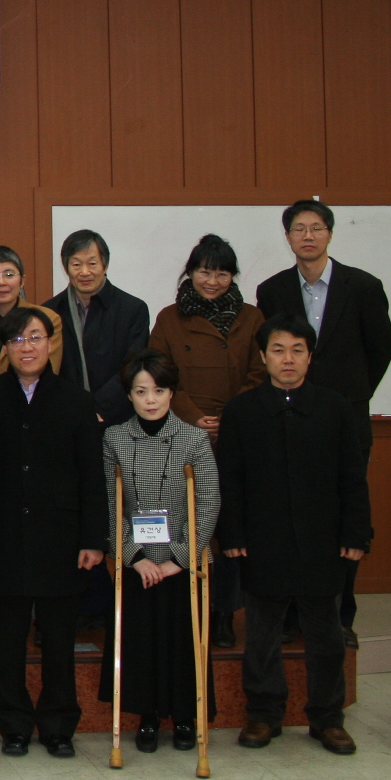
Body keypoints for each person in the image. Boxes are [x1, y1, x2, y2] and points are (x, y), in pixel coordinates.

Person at [218, 313, 370, 756]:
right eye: (279, 350)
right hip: (263, 540)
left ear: (310, 356)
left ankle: (327, 718)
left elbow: (351, 478)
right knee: (262, 633)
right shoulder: (242, 411)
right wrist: (233, 533)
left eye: (298, 350)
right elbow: (232, 479)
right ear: (263, 356)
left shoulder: (335, 408)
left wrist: (356, 533)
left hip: (323, 540)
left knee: (325, 633)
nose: (288, 359)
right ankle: (264, 714)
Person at [255, 200, 391, 643]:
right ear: (288, 237)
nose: (308, 236)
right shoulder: (272, 290)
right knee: (289, 513)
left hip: (344, 419)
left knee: (342, 515)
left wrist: (348, 397)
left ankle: (340, 617)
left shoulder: (364, 287)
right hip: (285, 418)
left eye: (316, 228)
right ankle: (294, 613)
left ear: (330, 234)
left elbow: (380, 351)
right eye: (299, 229)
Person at [0, 308, 105, 758]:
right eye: (16, 339)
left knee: (58, 640)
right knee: (7, 640)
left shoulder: (77, 401)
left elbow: (93, 477)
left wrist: (93, 539)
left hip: (61, 539)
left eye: (34, 337)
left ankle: (57, 724)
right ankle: (12, 723)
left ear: (50, 343)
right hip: (4, 535)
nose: (26, 346)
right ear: (4, 349)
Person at [99, 350, 219, 754]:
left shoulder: (194, 438)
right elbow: (109, 506)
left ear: (172, 393)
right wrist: (133, 556)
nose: (151, 399)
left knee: (184, 642)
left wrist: (178, 560)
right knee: (141, 643)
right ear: (129, 396)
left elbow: (208, 502)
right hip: (138, 563)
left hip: (180, 561)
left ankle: (186, 716)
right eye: (141, 391)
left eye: (159, 390)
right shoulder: (114, 438)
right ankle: (146, 717)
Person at [148, 233, 265, 647]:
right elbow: (159, 376)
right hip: (181, 434)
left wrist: (228, 420)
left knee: (228, 529)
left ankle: (221, 613)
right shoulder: (168, 317)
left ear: (233, 276)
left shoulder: (252, 318)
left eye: (221, 272)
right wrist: (196, 418)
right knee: (183, 524)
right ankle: (181, 608)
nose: (212, 280)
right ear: (190, 273)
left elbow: (259, 375)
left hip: (237, 436)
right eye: (204, 271)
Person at [43, 229, 149, 425]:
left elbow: (132, 366)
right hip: (66, 418)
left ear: (105, 265)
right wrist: (74, 409)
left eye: (92, 263)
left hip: (120, 418)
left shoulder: (133, 309)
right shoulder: (49, 312)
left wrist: (99, 408)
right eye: (76, 264)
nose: (85, 272)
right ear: (66, 268)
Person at [0, 247, 63, 384]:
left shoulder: (48, 319)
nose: (1, 283)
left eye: (9, 275)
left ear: (22, 281)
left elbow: (49, 372)